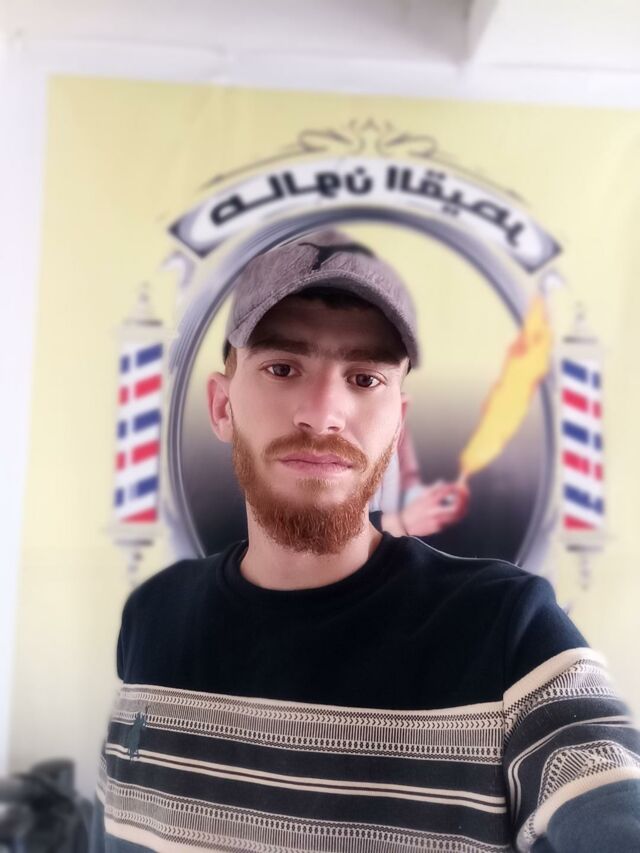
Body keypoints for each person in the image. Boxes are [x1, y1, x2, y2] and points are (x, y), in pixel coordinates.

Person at [91, 229, 640, 852]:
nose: (324, 414)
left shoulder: (508, 632)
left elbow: (610, 805)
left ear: (397, 423)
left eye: (364, 379)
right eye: (282, 368)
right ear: (222, 407)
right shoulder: (152, 616)